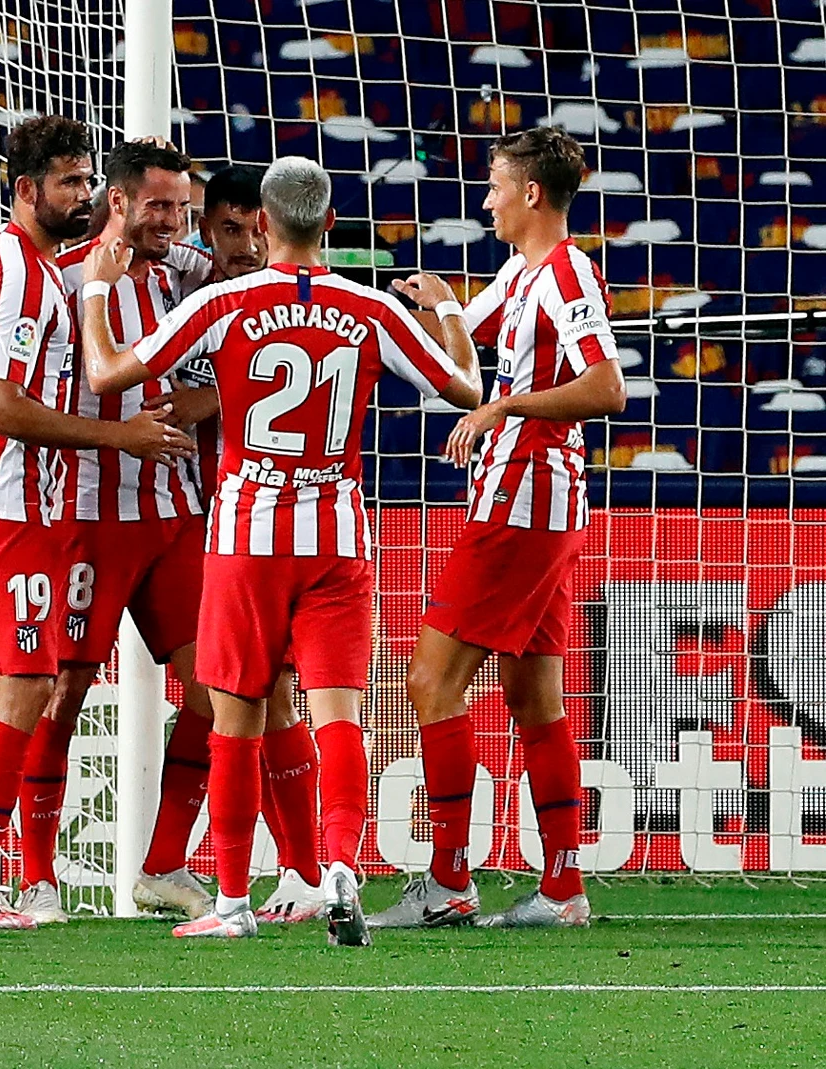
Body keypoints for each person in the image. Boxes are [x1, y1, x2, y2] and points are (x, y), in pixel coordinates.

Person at [78, 156, 483, 944]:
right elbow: (467, 388)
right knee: (338, 716)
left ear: (262, 225)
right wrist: (450, 312)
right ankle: (339, 864)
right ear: (329, 223)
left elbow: (106, 373)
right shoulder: (370, 309)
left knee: (235, 717)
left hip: (248, 540)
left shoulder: (224, 302)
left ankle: (232, 901)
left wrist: (97, 290)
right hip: (336, 538)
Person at [0, 115, 193, 929]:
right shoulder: (30, 279)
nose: (82, 195)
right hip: (10, 505)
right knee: (29, 685)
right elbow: (1, 406)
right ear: (27, 190)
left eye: (86, 180)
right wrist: (118, 436)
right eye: (69, 182)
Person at [373, 127, 626, 931]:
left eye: (495, 186)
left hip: (525, 500)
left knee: (430, 679)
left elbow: (607, 387)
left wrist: (506, 404)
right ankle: (563, 887)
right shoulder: (521, 273)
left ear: (531, 194)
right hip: (533, 501)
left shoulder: (567, 272)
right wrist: (439, 305)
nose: (486, 202)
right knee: (532, 694)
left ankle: (450, 878)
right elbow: (457, 353)